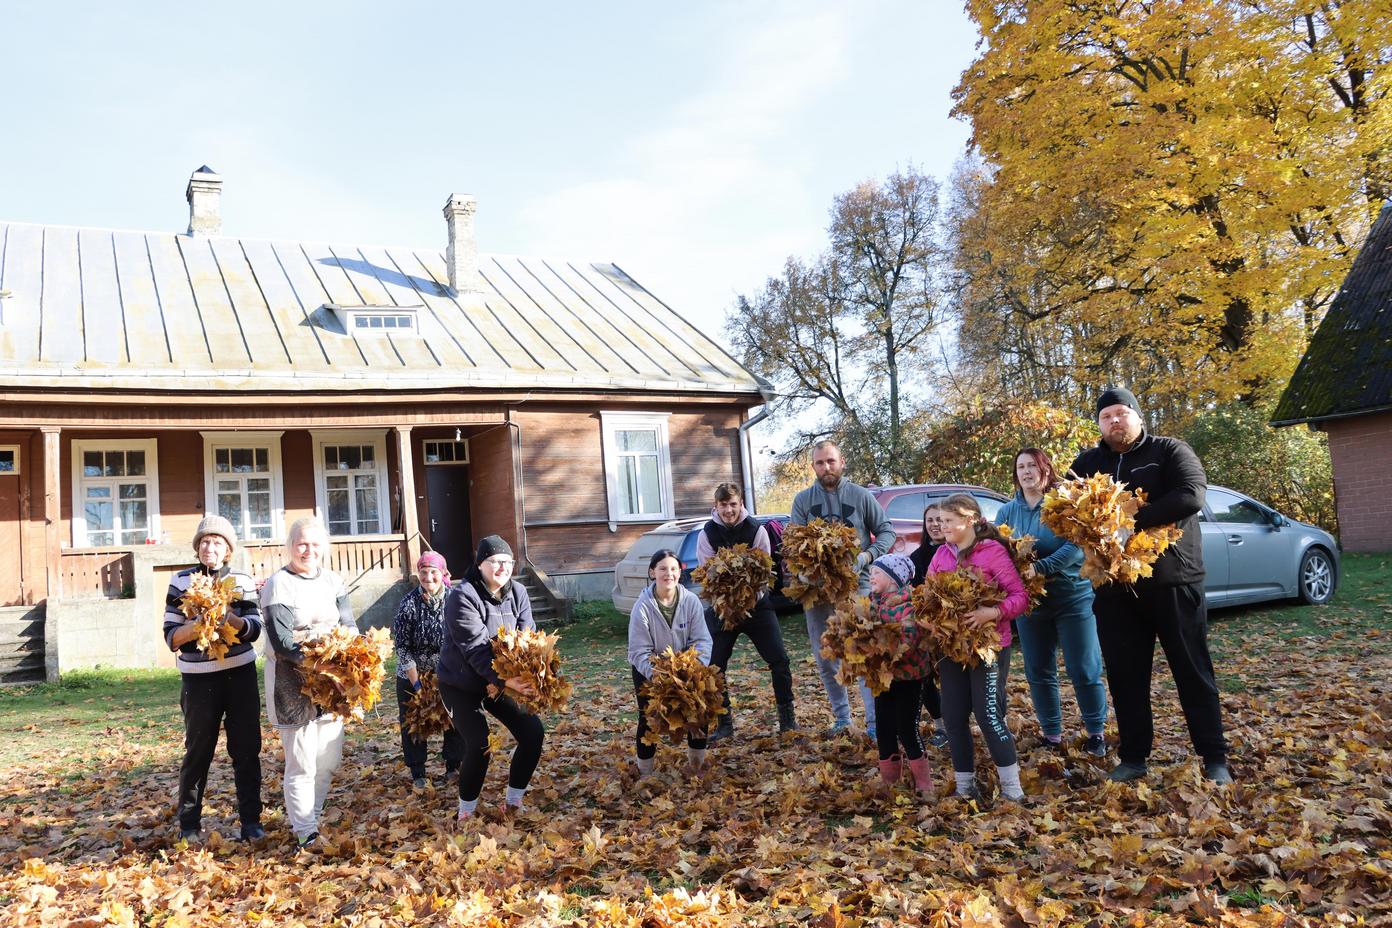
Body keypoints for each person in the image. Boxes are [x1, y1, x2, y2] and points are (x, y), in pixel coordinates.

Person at [1068, 387, 1232, 784]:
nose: (1114, 421)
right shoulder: (1087, 463)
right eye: (1106, 416)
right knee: (1125, 675)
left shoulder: (1169, 451)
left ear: (1138, 417)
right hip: (1114, 589)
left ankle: (1214, 757)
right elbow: (1068, 507)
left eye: (1122, 413)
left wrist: (1129, 522)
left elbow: (1191, 496)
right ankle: (1134, 757)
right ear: (1099, 424)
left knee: (1192, 670)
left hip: (1173, 580)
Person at [996, 448, 1109, 757]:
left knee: (1083, 667)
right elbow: (999, 550)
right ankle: (1052, 734)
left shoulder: (1062, 504)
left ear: (1046, 469)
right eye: (1020, 466)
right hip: (1031, 603)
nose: (1026, 471)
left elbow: (1075, 547)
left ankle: (1096, 732)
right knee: (1038, 669)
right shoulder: (1007, 512)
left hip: (1072, 596)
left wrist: (1039, 568)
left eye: (1033, 465)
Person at [163, 515, 264, 843]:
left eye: (218, 542)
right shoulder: (180, 582)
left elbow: (255, 628)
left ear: (228, 550)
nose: (210, 547)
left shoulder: (242, 581)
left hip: (240, 677)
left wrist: (229, 619)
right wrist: (198, 625)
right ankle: (189, 824)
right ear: (197, 547)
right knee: (198, 751)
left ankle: (251, 822)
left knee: (246, 750)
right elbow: (170, 636)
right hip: (198, 680)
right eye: (205, 542)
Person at [261, 517, 358, 849]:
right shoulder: (279, 584)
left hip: (332, 684)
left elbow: (348, 625)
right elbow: (282, 641)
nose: (309, 550)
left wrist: (354, 662)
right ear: (290, 546)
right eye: (302, 543)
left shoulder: (332, 580)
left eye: (316, 544)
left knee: (328, 760)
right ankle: (306, 833)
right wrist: (323, 660)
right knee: (301, 761)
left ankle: (312, 818)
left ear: (325, 549)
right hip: (293, 683)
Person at [928, 494, 1030, 802]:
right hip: (951, 649)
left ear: (970, 520)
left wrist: (993, 613)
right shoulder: (941, 556)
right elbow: (928, 597)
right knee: (953, 715)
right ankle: (965, 787)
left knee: (987, 715)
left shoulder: (992, 552)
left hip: (989, 647)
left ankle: (1013, 790)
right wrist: (930, 621)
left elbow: (1020, 597)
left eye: (948, 521)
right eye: (939, 521)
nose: (941, 526)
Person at [790, 440, 895, 737]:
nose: (826, 468)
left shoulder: (861, 496)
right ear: (813, 467)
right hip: (818, 594)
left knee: (863, 652)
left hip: (856, 588)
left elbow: (886, 531)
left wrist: (866, 557)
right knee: (826, 656)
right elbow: (792, 544)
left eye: (831, 461)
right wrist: (807, 573)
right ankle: (842, 718)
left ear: (842, 461)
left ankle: (874, 723)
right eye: (820, 463)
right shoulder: (802, 501)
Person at [436, 535, 544, 822]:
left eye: (507, 561)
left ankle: (513, 802)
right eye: (494, 561)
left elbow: (528, 638)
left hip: (498, 682)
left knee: (533, 733)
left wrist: (531, 676)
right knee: (479, 743)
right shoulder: (462, 596)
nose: (502, 567)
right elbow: (476, 647)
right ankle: (466, 812)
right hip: (460, 683)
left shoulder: (519, 592)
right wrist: (506, 680)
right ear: (480, 564)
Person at [697, 483, 796, 741]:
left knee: (779, 660)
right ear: (716, 506)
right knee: (713, 666)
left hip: (756, 605)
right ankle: (724, 724)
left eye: (733, 504)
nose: (729, 510)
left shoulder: (756, 529)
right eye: (723, 505)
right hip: (722, 608)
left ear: (740, 504)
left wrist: (749, 595)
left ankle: (787, 720)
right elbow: (708, 574)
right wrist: (727, 598)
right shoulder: (706, 533)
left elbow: (764, 571)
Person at [628, 549, 715, 775]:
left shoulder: (691, 601)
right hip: (651, 670)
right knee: (648, 717)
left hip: (688, 670)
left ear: (680, 572)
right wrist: (661, 676)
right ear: (652, 572)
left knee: (699, 712)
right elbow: (638, 651)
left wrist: (693, 669)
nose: (669, 573)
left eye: (674, 569)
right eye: (663, 568)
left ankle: (696, 765)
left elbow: (703, 640)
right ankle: (645, 771)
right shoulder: (642, 607)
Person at [392, 551, 465, 788]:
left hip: (448, 671)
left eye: (433, 572)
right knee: (414, 721)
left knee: (454, 717)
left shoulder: (456, 599)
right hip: (413, 671)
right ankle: (418, 772)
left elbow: (464, 637)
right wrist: (417, 684)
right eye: (423, 572)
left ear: (443, 574)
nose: (428, 577)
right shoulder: (408, 603)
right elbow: (402, 647)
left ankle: (453, 766)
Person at [867, 553, 934, 797]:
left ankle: (925, 783)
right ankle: (890, 782)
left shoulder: (909, 607)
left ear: (894, 580)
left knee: (907, 728)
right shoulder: (872, 602)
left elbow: (908, 642)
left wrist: (879, 649)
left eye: (877, 572)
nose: (871, 575)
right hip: (883, 678)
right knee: (884, 727)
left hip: (910, 678)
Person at [909, 502, 949, 749]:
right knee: (925, 678)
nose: (935, 525)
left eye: (939, 520)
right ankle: (942, 726)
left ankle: (960, 724)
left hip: (956, 626)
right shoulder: (917, 557)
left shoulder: (958, 551)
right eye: (930, 521)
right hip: (927, 627)